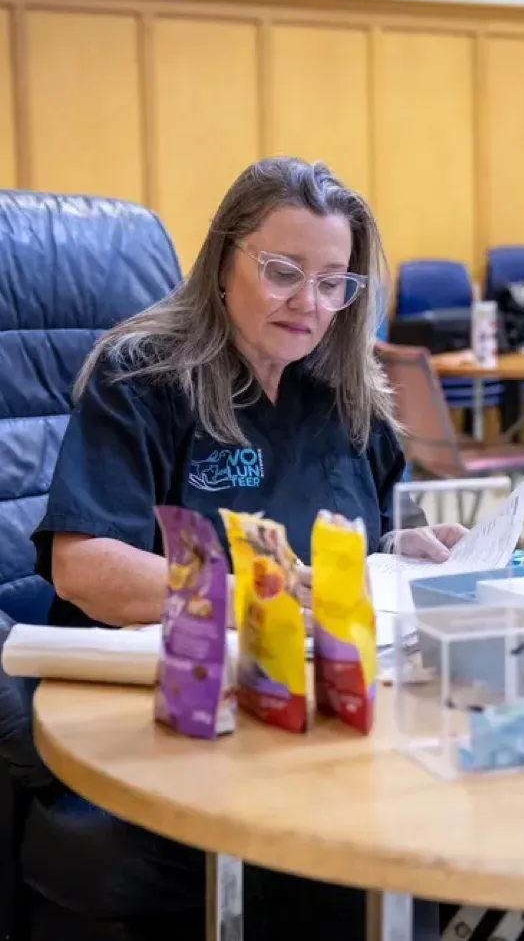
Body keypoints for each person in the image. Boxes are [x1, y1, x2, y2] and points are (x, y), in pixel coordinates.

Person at [32, 156, 468, 940]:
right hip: (184, 706)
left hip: (330, 705)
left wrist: (413, 542)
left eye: (334, 282)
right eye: (282, 271)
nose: (310, 303)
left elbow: (366, 530)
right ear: (225, 255)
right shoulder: (145, 376)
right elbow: (87, 568)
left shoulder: (340, 386)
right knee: (350, 849)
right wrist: (264, 597)